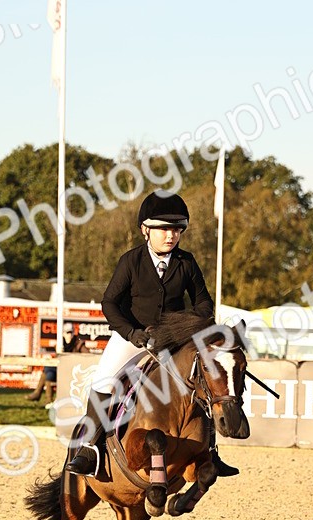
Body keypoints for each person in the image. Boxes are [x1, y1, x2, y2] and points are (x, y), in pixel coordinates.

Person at [66, 190, 238, 478]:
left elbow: (203, 303)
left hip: (173, 341)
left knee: (201, 382)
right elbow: (109, 303)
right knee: (104, 380)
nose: (171, 236)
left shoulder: (186, 262)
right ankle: (89, 448)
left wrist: (186, 326)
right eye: (164, 229)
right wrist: (132, 333)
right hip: (132, 338)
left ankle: (211, 450)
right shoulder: (131, 261)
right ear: (145, 230)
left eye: (177, 230)